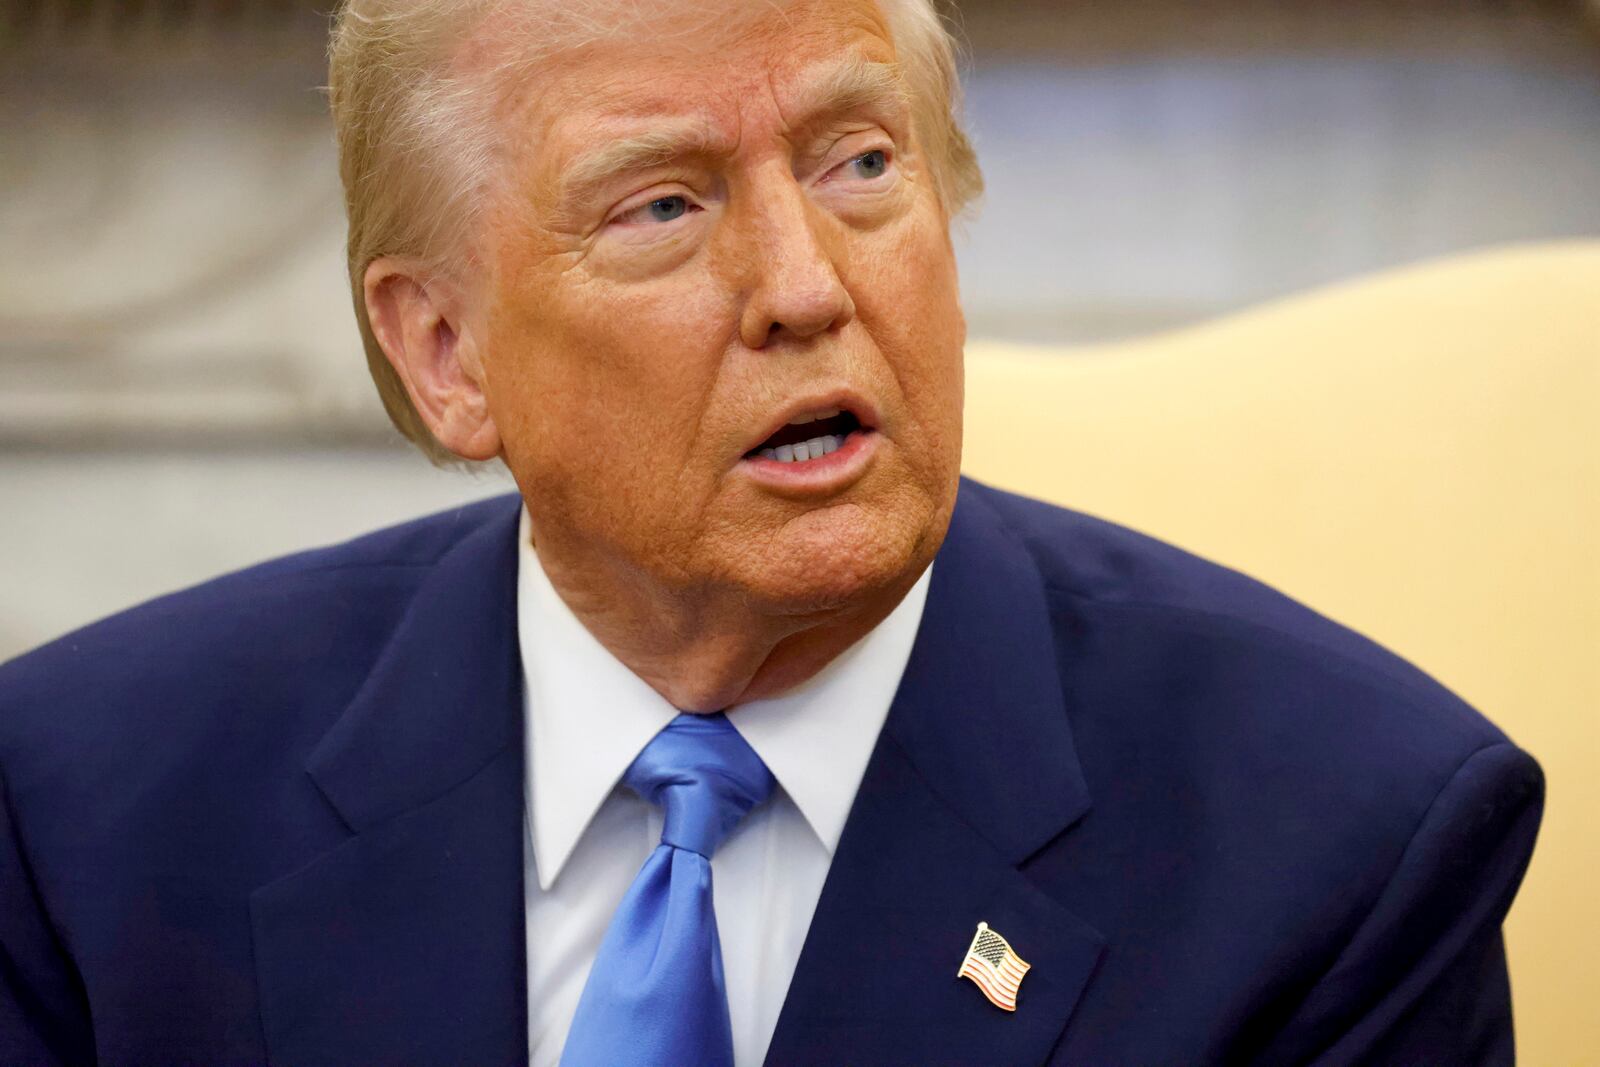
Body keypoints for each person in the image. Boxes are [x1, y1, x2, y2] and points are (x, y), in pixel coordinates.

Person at [0, 0, 1543, 1062]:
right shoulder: (90, 813)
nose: (808, 286)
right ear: (447, 355)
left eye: (860, 164)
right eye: (661, 205)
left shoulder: (1340, 844)